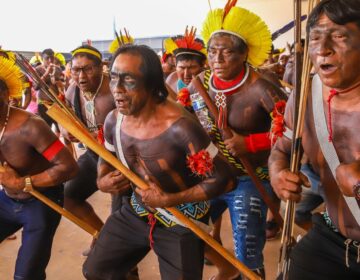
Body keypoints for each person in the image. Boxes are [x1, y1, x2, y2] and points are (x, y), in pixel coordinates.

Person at [82, 44, 235, 280]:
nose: (118, 90)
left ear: (153, 84)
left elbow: (224, 180)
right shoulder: (114, 120)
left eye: (129, 80)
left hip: (182, 220)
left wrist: (171, 199)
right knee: (96, 271)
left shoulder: (181, 127)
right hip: (137, 210)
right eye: (113, 78)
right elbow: (107, 156)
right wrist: (102, 179)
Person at [190, 1, 288, 278]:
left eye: (227, 52)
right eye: (212, 52)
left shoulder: (261, 87)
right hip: (211, 176)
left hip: (250, 177)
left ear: (244, 53)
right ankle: (225, 269)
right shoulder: (198, 84)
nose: (217, 60)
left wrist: (252, 143)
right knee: (184, 228)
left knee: (247, 250)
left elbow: (295, 131)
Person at [269, 0, 360, 279]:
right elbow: (280, 150)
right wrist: (277, 174)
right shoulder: (305, 94)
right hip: (334, 238)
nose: (323, 48)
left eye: (340, 36)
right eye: (316, 37)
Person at [0, 56, 78, 280]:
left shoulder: (30, 126)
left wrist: (22, 183)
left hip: (42, 201)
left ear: (5, 94)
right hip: (7, 200)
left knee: (27, 276)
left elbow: (69, 167)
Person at [62, 45, 115, 234]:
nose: (81, 76)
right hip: (94, 156)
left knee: (119, 213)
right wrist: (66, 129)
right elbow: (66, 118)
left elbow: (134, 127)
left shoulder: (116, 90)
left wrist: (96, 137)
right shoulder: (72, 90)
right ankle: (101, 237)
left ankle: (119, 255)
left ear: (101, 67)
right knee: (69, 196)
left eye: (88, 69)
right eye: (76, 70)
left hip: (122, 161)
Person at [165, 26, 207, 109]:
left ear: (202, 66)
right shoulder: (172, 79)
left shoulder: (210, 82)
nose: (186, 74)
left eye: (192, 67)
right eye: (182, 68)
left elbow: (204, 119)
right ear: (175, 66)